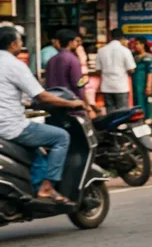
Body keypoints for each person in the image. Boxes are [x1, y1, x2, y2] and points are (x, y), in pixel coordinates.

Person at [0, 25, 85, 203]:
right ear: (13, 44)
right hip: (11, 126)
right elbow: (43, 96)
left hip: (9, 122)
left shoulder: (53, 59)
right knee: (61, 137)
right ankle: (47, 188)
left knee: (37, 149)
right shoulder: (15, 65)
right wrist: (73, 103)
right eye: (20, 41)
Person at [96, 29, 136, 112]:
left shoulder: (101, 51)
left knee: (110, 113)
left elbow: (98, 70)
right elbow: (131, 70)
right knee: (122, 113)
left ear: (110, 37)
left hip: (106, 86)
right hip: (121, 86)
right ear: (122, 38)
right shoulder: (125, 51)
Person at [46, 29, 86, 101]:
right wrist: (84, 102)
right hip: (70, 101)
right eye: (76, 41)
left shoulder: (51, 60)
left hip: (53, 100)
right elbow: (78, 83)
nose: (77, 44)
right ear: (70, 42)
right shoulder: (73, 60)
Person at [130, 38, 152, 122]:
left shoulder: (148, 57)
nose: (136, 46)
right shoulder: (134, 57)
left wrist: (148, 86)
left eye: (138, 44)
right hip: (134, 84)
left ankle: (146, 118)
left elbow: (150, 72)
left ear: (143, 45)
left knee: (145, 101)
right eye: (135, 44)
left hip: (143, 83)